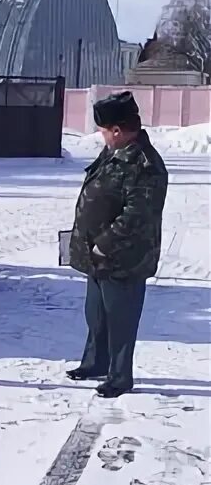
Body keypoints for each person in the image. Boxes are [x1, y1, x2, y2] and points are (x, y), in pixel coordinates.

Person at [65, 91, 168, 398]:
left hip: (124, 259)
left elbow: (138, 214)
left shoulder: (145, 163)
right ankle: (96, 362)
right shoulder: (114, 152)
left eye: (103, 132)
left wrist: (105, 244)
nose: (102, 137)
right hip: (98, 256)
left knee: (121, 320)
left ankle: (120, 377)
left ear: (117, 130)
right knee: (96, 314)